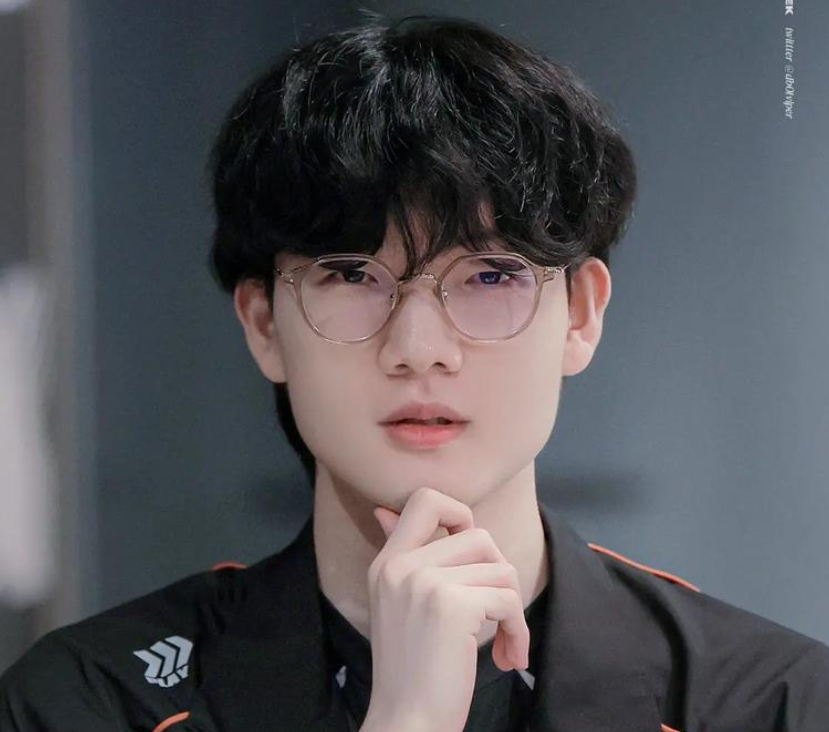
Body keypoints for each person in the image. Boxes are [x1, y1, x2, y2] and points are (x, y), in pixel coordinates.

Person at [1, 11, 827, 732]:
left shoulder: (771, 702)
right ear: (263, 324)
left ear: (579, 316)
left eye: (491, 276)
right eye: (351, 274)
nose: (419, 347)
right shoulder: (88, 700)